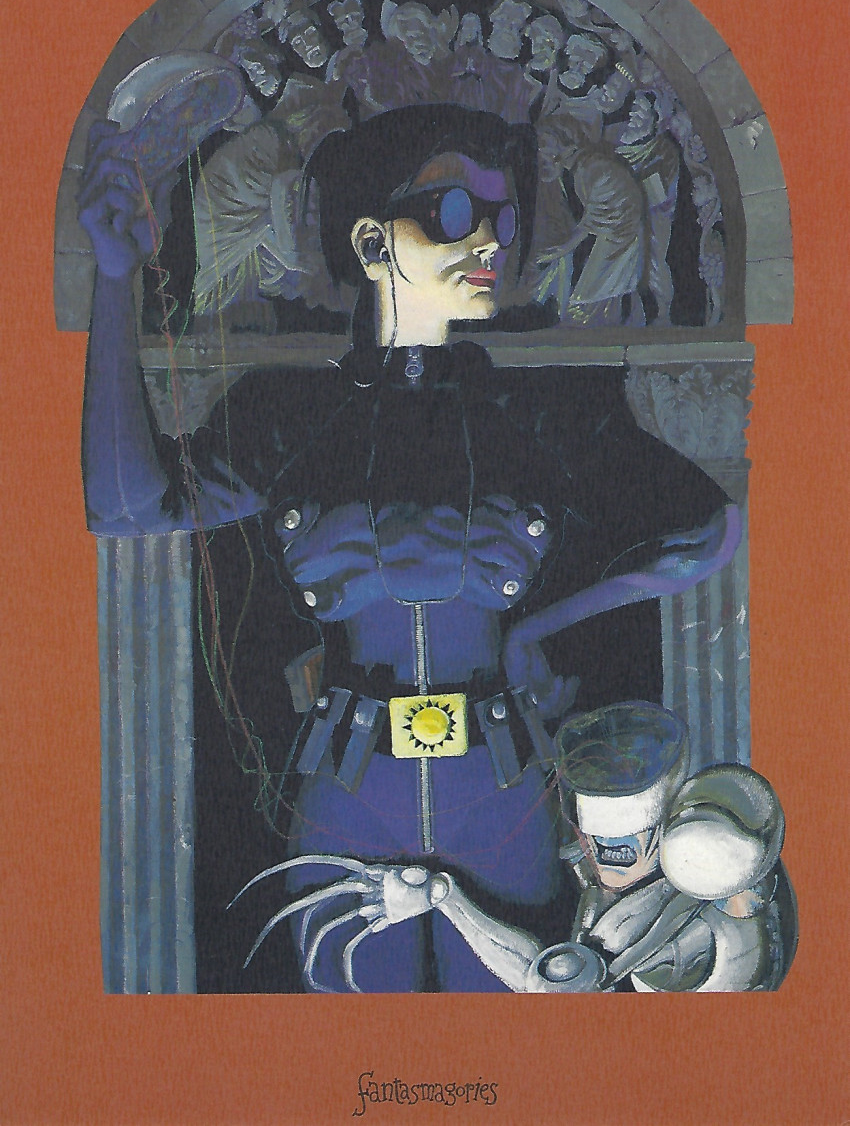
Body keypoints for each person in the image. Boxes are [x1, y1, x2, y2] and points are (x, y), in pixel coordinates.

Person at [79, 102, 739, 992]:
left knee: (512, 1040)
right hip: (349, 798)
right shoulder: (288, 415)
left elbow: (708, 530)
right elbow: (125, 507)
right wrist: (112, 279)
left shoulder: (538, 413)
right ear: (371, 243)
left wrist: (538, 629)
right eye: (455, 212)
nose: (489, 240)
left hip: (504, 800)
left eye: (502, 219)